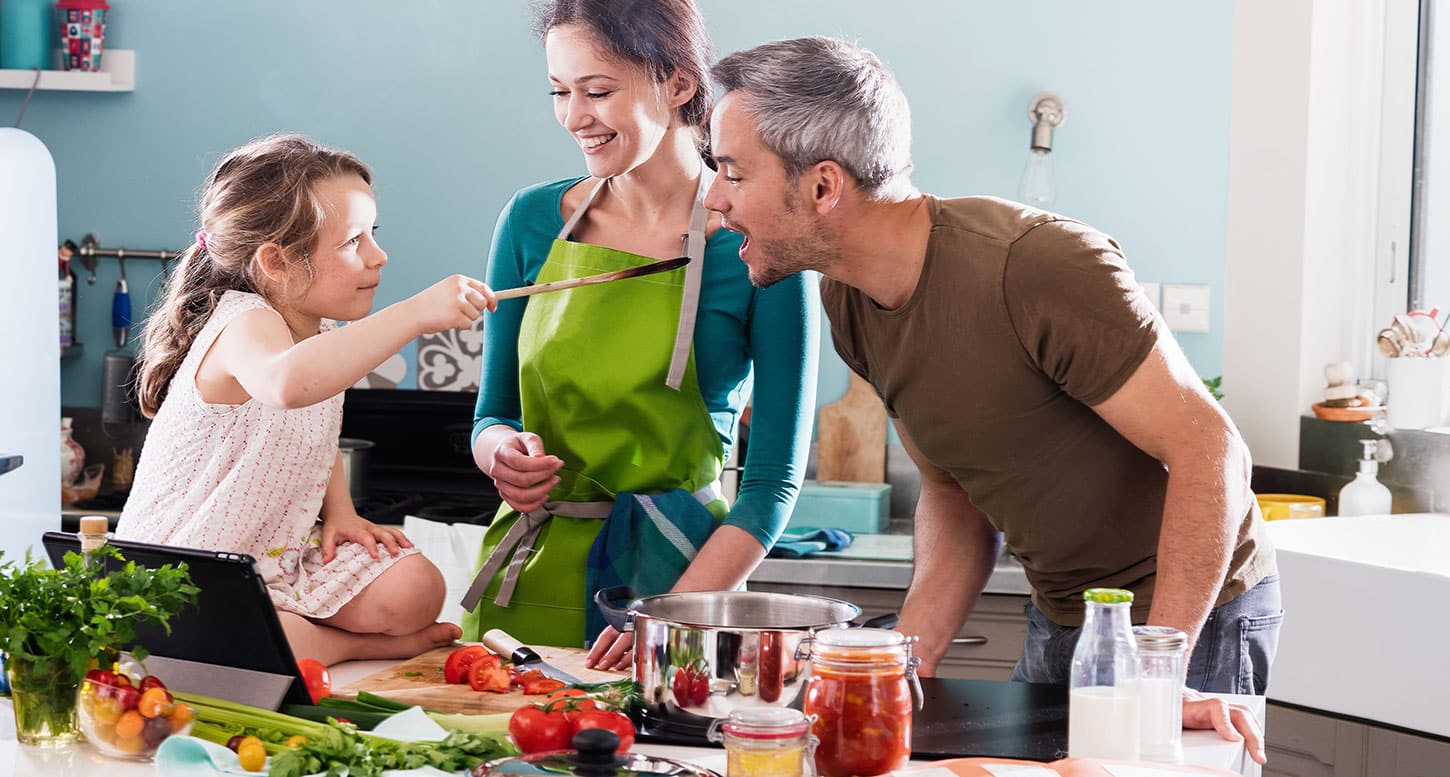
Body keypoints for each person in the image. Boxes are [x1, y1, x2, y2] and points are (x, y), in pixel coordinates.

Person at [703, 37, 1276, 762]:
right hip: (1065, 612)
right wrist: (906, 661)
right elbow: (952, 491)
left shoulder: (1035, 266)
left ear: (822, 186)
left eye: (730, 172)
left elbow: (1211, 450)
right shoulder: (849, 300)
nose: (715, 198)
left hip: (1192, 617)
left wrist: (1157, 678)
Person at [461, 0, 818, 666]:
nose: (574, 118)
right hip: (525, 583)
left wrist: (669, 619)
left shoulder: (757, 242)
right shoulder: (531, 219)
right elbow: (492, 414)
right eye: (560, 93)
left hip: (680, 586)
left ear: (679, 84)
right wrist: (502, 453)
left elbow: (771, 484)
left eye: (597, 91)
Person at [118, 133, 497, 666]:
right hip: (187, 571)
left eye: (374, 235)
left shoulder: (321, 335)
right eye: (353, 242)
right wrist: (413, 314)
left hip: (275, 555)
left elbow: (311, 431)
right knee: (250, 637)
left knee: (416, 586)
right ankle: (340, 645)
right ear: (276, 261)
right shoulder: (242, 323)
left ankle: (297, 628)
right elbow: (287, 385)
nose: (378, 256)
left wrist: (340, 512)